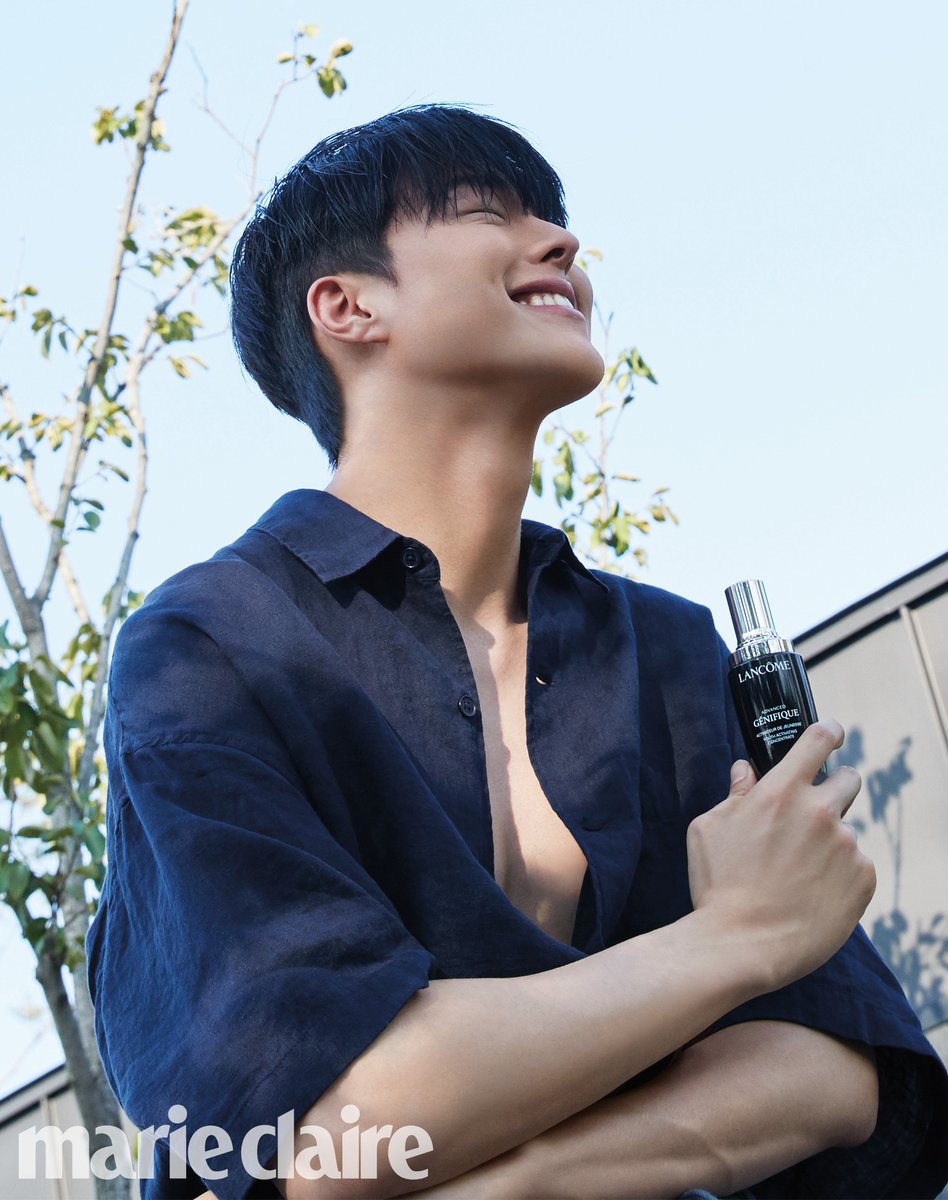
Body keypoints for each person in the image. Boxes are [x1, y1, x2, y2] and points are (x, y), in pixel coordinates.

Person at [86, 103, 948, 1200]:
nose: (562, 243)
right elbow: (323, 1131)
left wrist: (518, 1182)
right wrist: (735, 941)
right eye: (488, 212)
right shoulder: (210, 646)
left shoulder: (666, 647)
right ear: (347, 307)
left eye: (555, 217)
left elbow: (836, 1065)